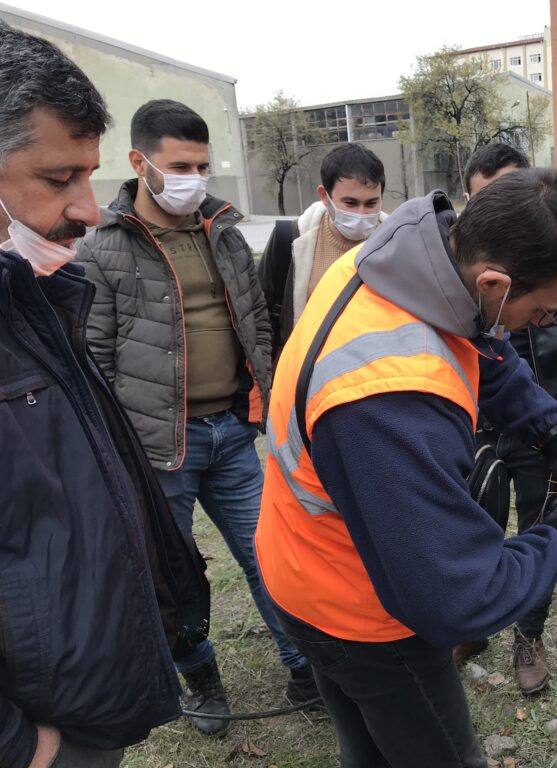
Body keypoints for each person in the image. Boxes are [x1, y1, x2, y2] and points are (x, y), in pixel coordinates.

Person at [254, 168, 557, 767]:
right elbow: (455, 595)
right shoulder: (393, 397)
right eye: (549, 308)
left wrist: (547, 432)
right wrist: (553, 539)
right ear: (496, 282)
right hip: (360, 613)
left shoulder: (398, 263)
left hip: (301, 566)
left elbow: (484, 343)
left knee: (369, 754)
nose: (549, 323)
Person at [0, 22, 208, 767]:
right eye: (59, 180)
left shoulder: (35, 298)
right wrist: (25, 748)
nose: (87, 210)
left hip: (76, 702)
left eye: (88, 177)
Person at [76, 99, 315, 736]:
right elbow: (94, 358)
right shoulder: (102, 248)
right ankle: (201, 675)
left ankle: (301, 663)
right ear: (139, 162)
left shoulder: (225, 233)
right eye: (179, 165)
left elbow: (256, 321)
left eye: (203, 166)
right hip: (158, 449)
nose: (194, 178)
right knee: (173, 579)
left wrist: (263, 396)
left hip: (234, 434)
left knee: (270, 556)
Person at [453, 143, 557, 695]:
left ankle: (528, 634)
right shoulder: (453, 298)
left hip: (541, 426)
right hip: (479, 431)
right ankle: (473, 622)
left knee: (541, 529)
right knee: (478, 534)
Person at [258, 143, 387, 362]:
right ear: (324, 196)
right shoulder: (289, 240)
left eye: (371, 203)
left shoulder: (399, 245)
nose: (361, 213)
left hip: (376, 382)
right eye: (350, 203)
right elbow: (260, 317)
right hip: (306, 380)